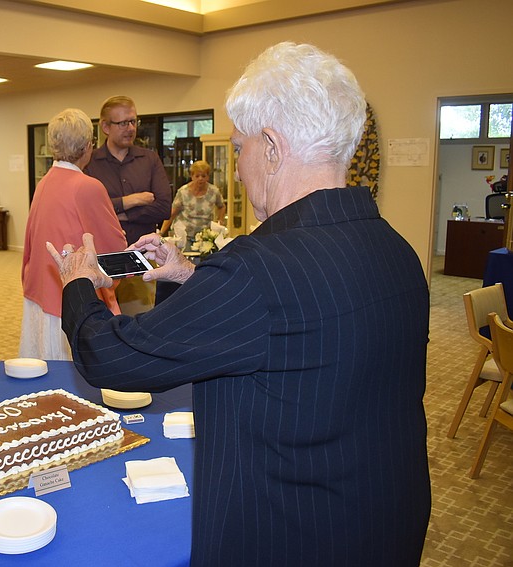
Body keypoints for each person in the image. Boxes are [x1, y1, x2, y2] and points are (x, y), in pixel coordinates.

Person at [48, 42, 431, 566]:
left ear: (272, 147)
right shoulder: (397, 249)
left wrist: (76, 282)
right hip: (382, 521)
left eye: (243, 146)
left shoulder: (257, 269)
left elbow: (109, 358)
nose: (242, 164)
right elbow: (300, 321)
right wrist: (191, 274)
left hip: (287, 536)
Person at [19, 108, 125, 360]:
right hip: (72, 298)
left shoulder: (44, 182)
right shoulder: (88, 186)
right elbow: (113, 247)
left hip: (41, 290)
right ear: (88, 146)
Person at [85, 95, 172, 313]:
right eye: (123, 123)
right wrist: (130, 201)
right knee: (101, 325)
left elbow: (164, 207)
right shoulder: (90, 163)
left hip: (141, 256)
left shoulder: (150, 159)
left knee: (138, 323)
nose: (130, 128)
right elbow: (88, 209)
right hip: (102, 259)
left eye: (134, 121)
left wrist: (120, 213)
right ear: (105, 126)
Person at [160, 159, 226, 244]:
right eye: (197, 176)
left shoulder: (214, 191)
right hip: (184, 236)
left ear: (208, 177)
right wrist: (161, 233)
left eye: (203, 176)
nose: (200, 179)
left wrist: (219, 223)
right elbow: (172, 214)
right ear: (192, 176)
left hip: (205, 237)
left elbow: (222, 206)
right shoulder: (183, 191)